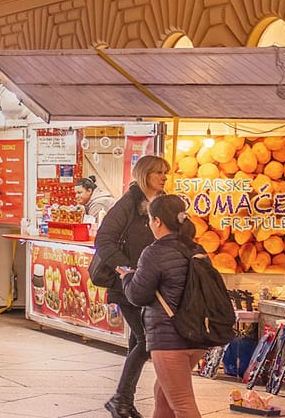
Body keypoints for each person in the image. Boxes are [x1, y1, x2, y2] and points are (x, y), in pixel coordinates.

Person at [96, 155, 170, 418]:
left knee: (137, 342)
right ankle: (121, 399)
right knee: (146, 340)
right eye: (158, 172)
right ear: (144, 174)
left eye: (165, 172)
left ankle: (124, 400)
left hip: (151, 284)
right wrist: (125, 268)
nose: (163, 177)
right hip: (127, 284)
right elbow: (103, 239)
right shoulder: (128, 203)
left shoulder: (161, 203)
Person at [122, 194, 204, 418]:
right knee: (163, 394)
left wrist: (128, 278)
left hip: (170, 338)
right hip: (197, 335)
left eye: (150, 219)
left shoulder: (154, 252)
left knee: (181, 403)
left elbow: (138, 295)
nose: (149, 224)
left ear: (157, 221)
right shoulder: (197, 250)